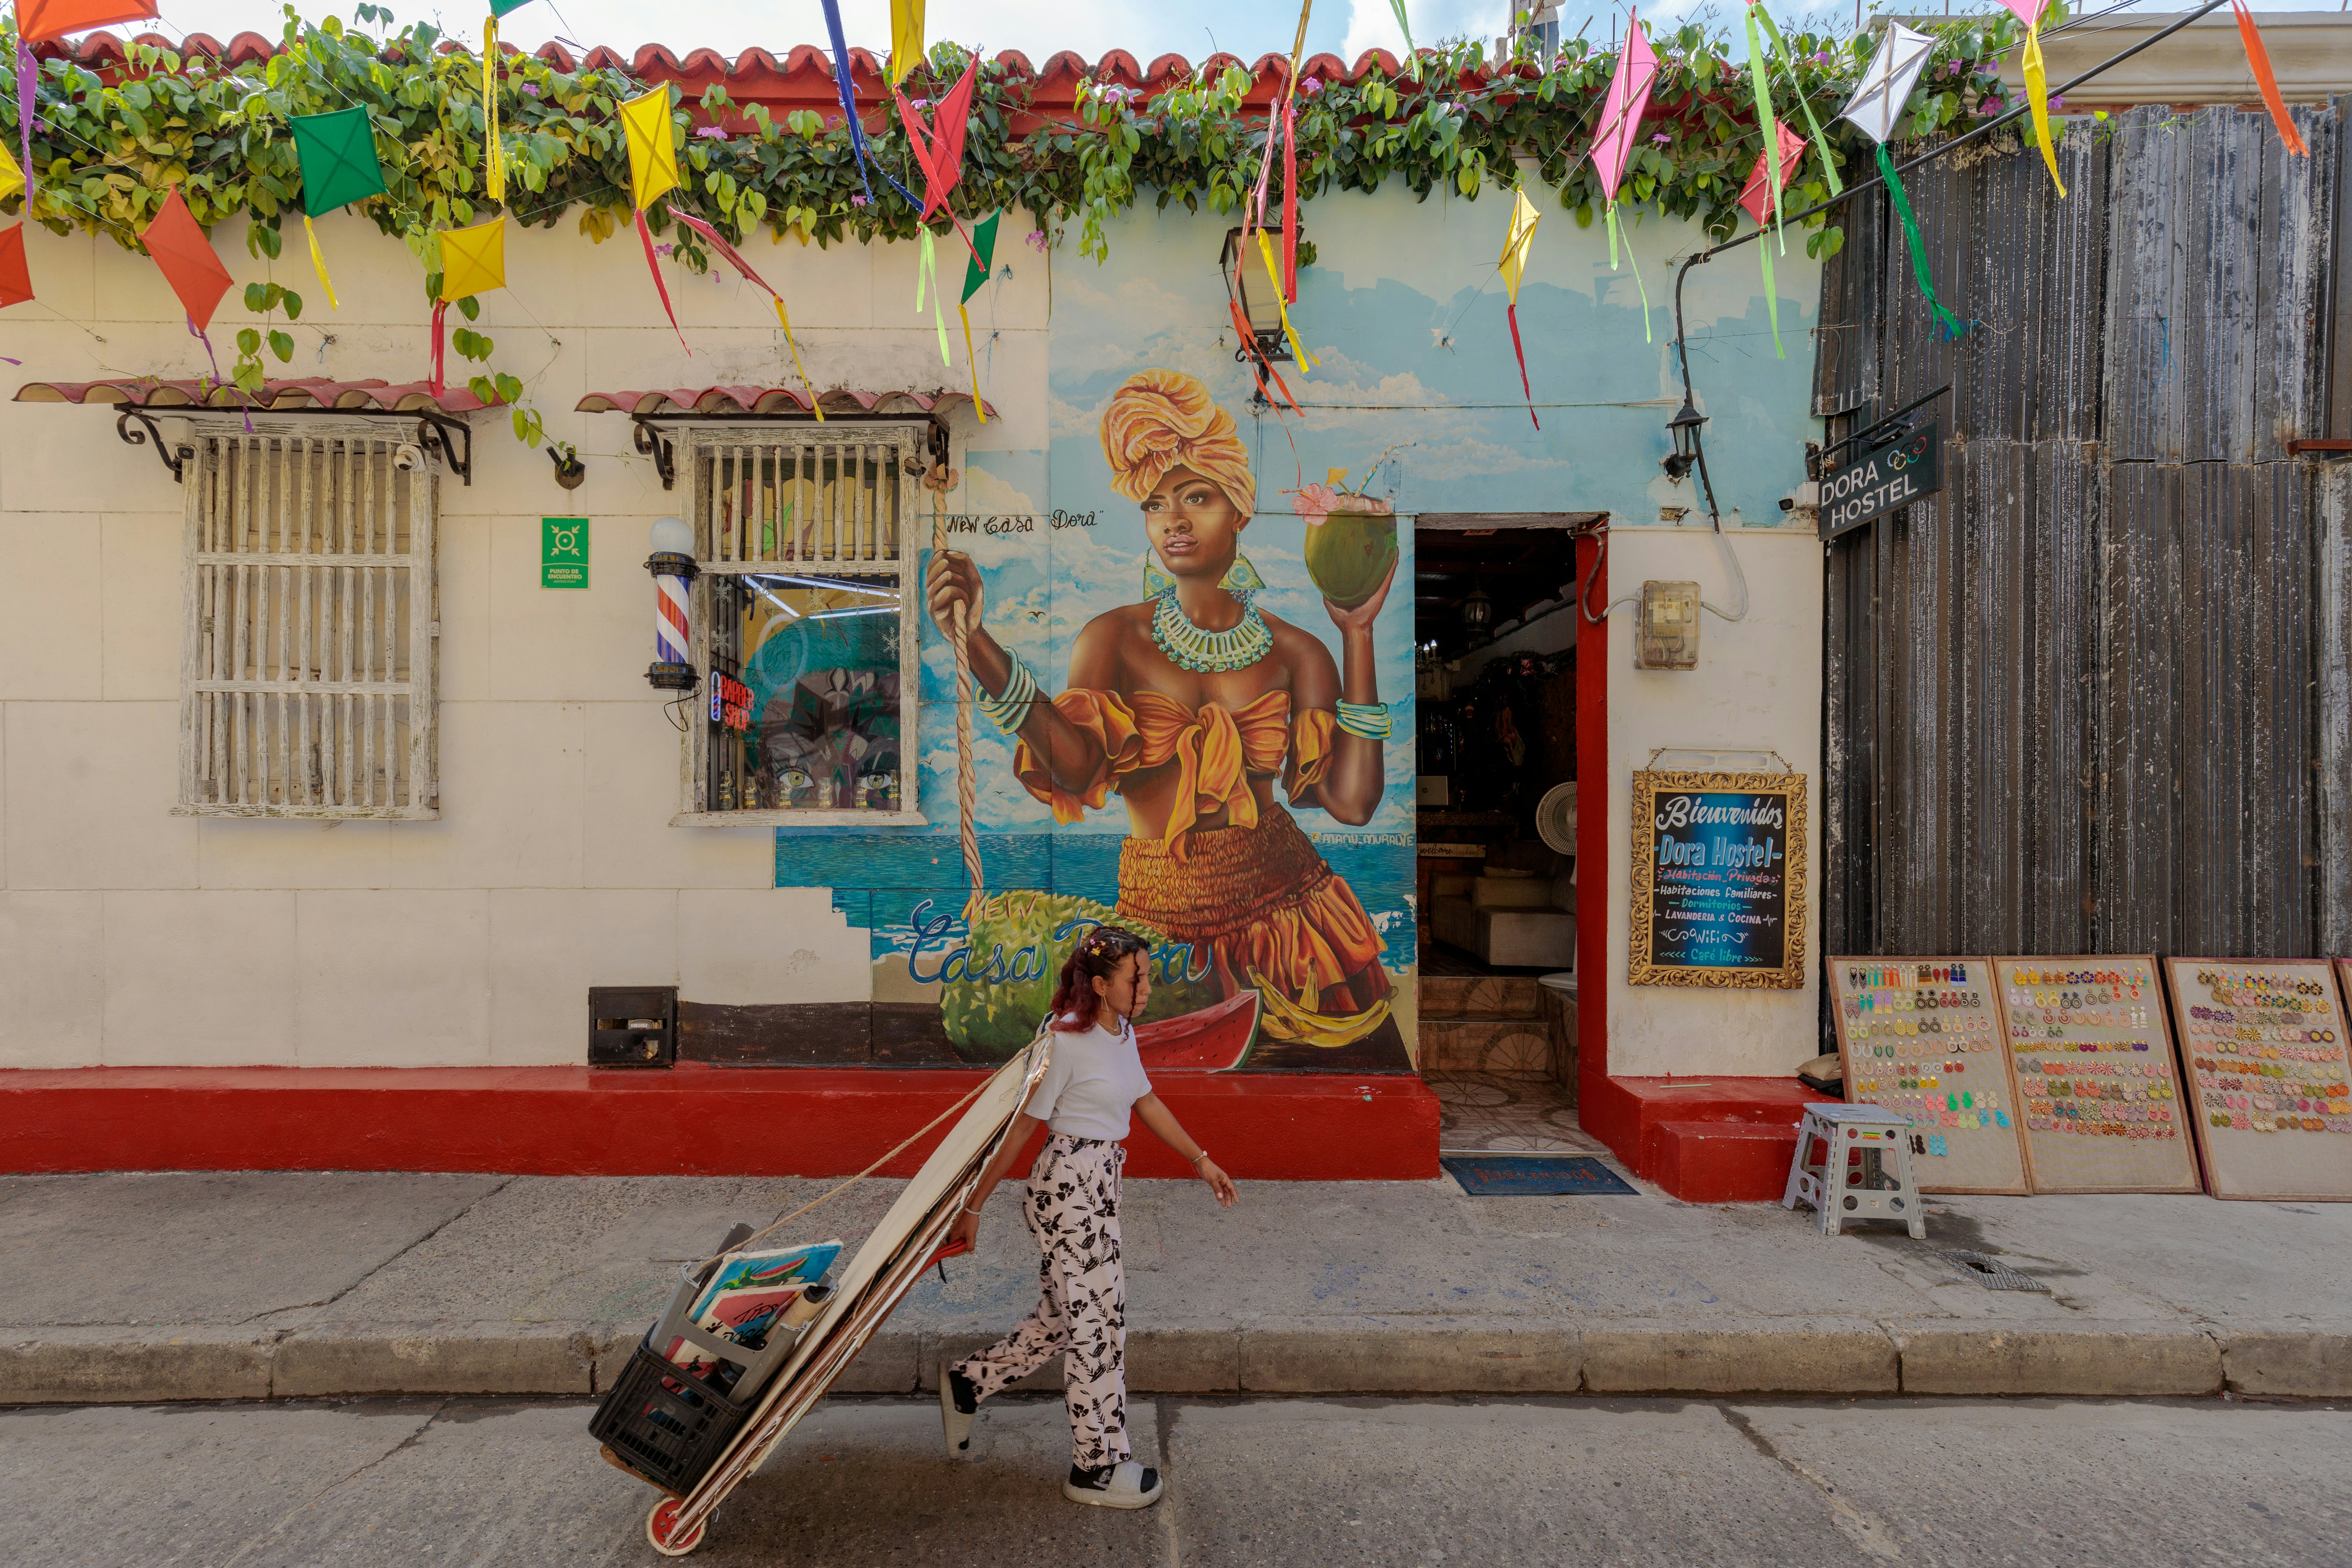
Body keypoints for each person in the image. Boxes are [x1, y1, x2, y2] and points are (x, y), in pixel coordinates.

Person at [924, 368, 1403, 1058]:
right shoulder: (1112, 637)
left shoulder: (1301, 651)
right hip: (1157, 937)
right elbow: (1079, 764)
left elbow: (1353, 804)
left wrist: (1357, 634)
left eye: (1198, 497)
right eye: (1155, 504)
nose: (1173, 521)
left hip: (1295, 927)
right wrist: (976, 644)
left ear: (1240, 508)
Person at [939, 926, 1238, 1508]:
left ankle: (967, 1384)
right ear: (1101, 985)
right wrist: (974, 1204)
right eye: (1137, 978)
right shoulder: (1063, 1042)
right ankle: (1095, 1468)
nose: (1147, 987)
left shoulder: (1122, 1032)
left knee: (1063, 1319)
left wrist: (1201, 1160)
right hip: (1068, 1187)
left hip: (1100, 1185)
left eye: (1146, 975)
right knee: (1098, 1327)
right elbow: (1024, 1125)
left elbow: (1143, 1098)